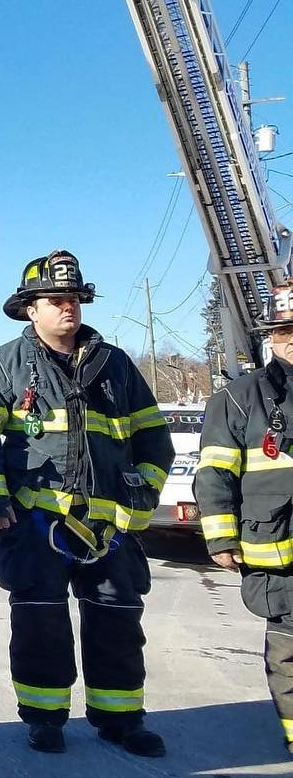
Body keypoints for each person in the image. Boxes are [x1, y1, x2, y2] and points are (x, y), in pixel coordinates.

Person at [0, 250, 172, 757]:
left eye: (74, 298)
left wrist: (143, 495)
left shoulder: (116, 365)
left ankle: (121, 718)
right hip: (35, 523)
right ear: (31, 308)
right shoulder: (5, 365)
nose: (68, 307)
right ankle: (45, 718)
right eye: (56, 299)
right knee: (39, 624)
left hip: (109, 527)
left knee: (118, 623)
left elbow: (152, 437)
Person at [194, 284, 293, 753]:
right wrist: (221, 539)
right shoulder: (239, 397)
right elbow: (214, 473)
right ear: (269, 338)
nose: (290, 339)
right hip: (278, 552)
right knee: (290, 651)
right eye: (282, 331)